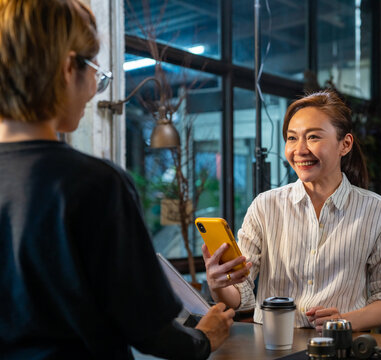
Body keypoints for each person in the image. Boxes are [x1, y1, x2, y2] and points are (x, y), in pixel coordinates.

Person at [0, 1, 234, 359]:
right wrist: (204, 338)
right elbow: (150, 331)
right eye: (94, 68)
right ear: (66, 69)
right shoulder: (95, 184)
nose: (95, 86)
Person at [203, 90, 381, 331]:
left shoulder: (380, 213)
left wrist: (344, 322)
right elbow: (241, 294)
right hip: (272, 348)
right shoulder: (264, 206)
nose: (299, 150)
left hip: (340, 348)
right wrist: (217, 283)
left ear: (345, 144)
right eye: (292, 138)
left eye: (313, 137)